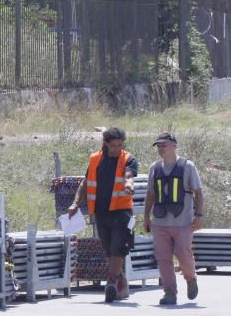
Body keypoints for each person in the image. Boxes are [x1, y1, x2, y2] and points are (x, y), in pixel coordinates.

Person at [68, 127, 138, 302]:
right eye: (113, 145)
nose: (117, 149)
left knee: (118, 247)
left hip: (122, 212)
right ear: (105, 144)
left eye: (120, 145)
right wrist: (76, 203)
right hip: (101, 212)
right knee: (108, 249)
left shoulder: (128, 158)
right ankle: (121, 282)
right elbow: (85, 183)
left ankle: (111, 282)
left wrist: (129, 184)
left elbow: (129, 175)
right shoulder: (95, 159)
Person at [143, 132, 204, 305]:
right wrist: (146, 216)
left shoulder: (188, 166)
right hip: (160, 222)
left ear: (174, 146)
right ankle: (169, 292)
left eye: (164, 145)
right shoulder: (154, 168)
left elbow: (198, 193)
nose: (161, 149)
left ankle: (191, 278)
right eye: (159, 146)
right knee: (163, 258)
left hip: (183, 222)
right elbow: (151, 194)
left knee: (184, 255)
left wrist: (199, 215)